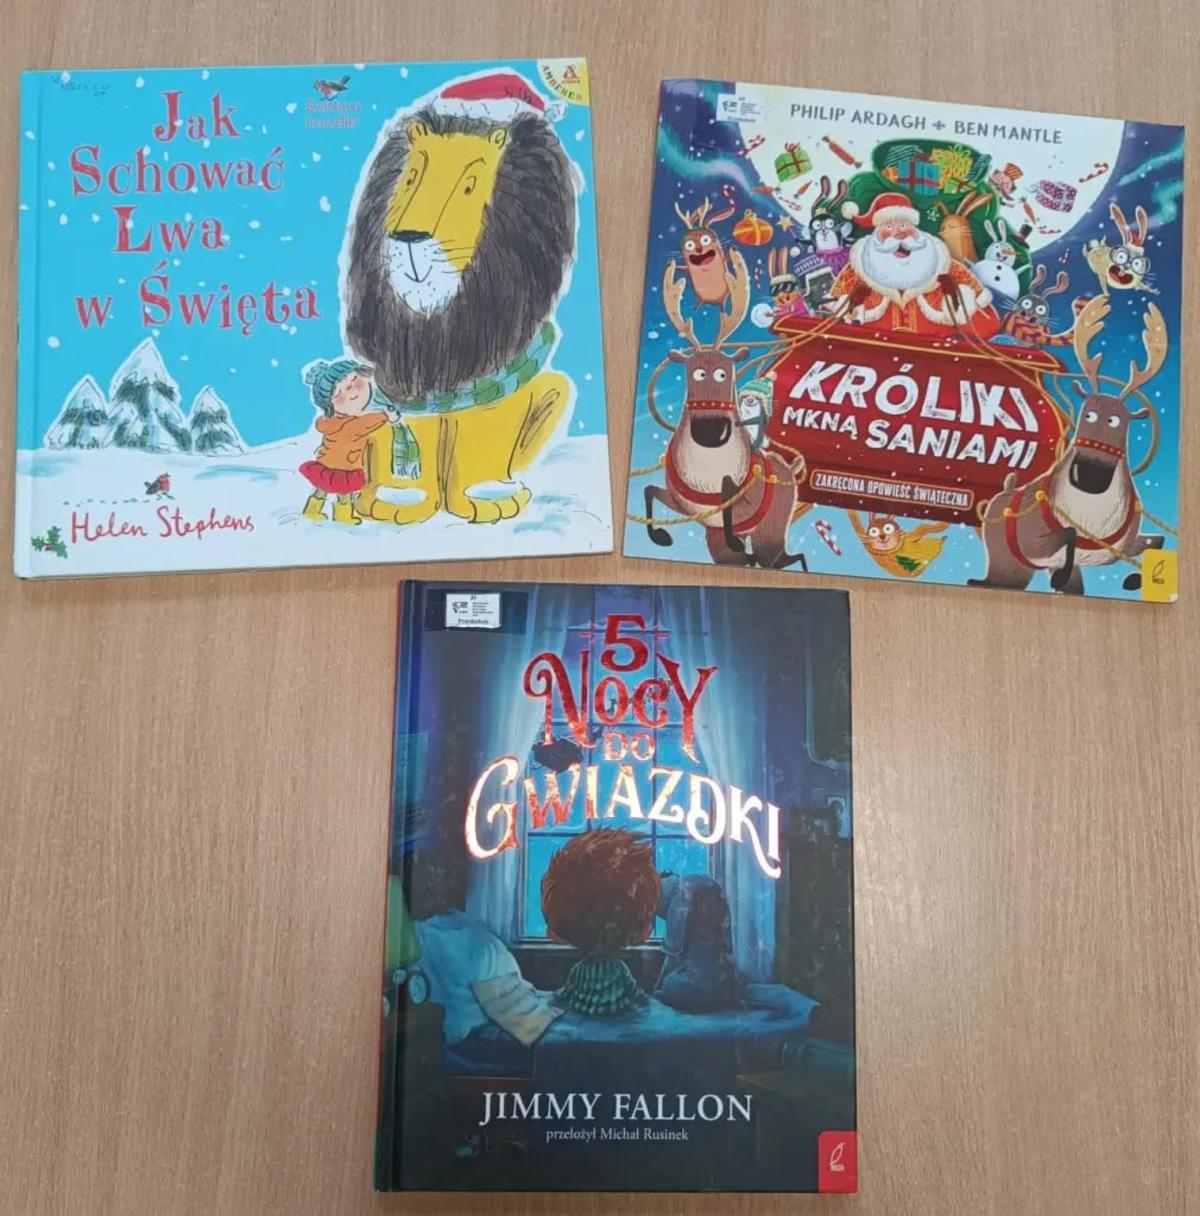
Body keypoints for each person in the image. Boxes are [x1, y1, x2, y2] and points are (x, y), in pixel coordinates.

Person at [828, 192, 1000, 338]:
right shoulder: (855, 272)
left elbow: (989, 327)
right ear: (875, 234)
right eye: (888, 227)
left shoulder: (950, 270)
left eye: (903, 225)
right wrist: (850, 309)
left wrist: (958, 301)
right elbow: (826, 326)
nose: (898, 234)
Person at [299, 358, 397, 524]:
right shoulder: (349, 425)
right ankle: (342, 515)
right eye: (339, 393)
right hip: (345, 466)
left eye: (354, 382)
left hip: (326, 463)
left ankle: (312, 510)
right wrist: (385, 415)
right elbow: (362, 425)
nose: (352, 393)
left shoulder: (331, 422)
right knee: (345, 492)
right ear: (330, 404)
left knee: (322, 488)